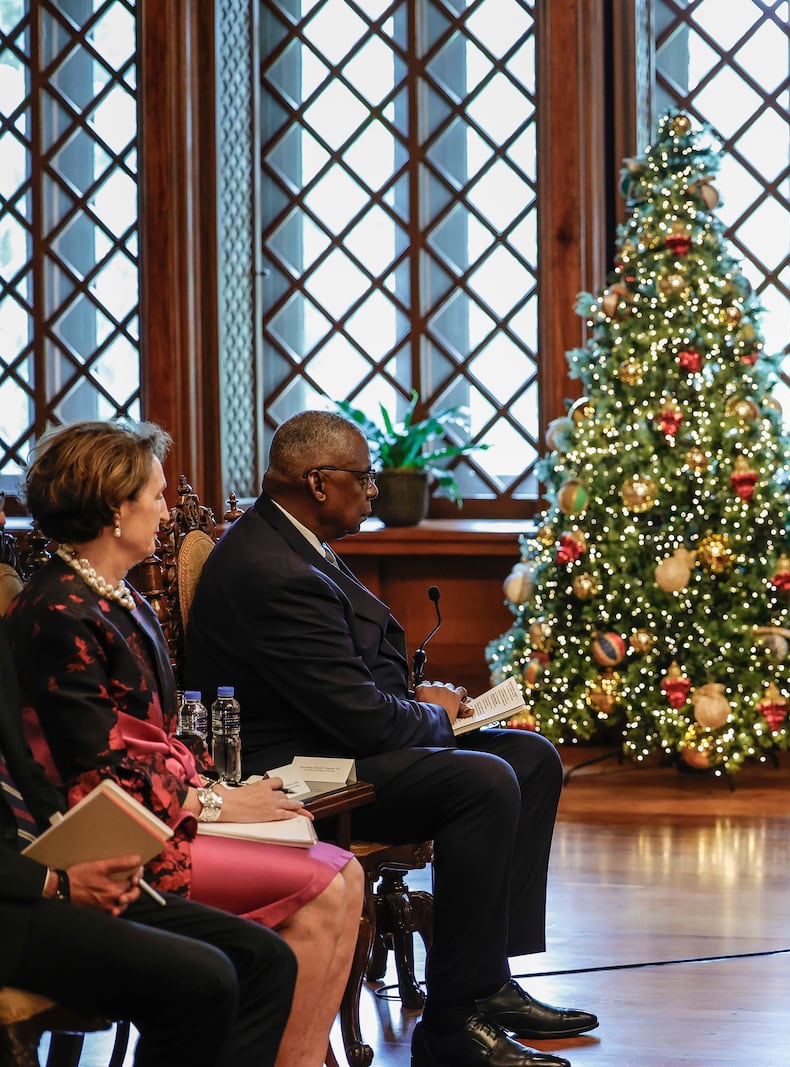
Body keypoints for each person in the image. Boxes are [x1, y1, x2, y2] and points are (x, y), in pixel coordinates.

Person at [184, 410, 596, 1067]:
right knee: (482, 779)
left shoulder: (292, 539)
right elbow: (362, 719)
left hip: (332, 742)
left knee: (531, 756)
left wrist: (441, 708)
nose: (372, 491)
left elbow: (351, 690)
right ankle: (451, 1027)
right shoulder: (272, 569)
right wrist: (435, 713)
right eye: (364, 479)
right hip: (290, 770)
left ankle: (486, 981)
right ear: (319, 482)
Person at [6, 422, 364, 1067]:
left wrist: (216, 793)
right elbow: (102, 774)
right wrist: (218, 808)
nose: (168, 510)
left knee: (342, 868)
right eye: (155, 494)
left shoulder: (118, 597)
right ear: (117, 509)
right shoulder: (57, 613)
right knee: (327, 887)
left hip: (156, 811)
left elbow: (162, 743)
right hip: (116, 842)